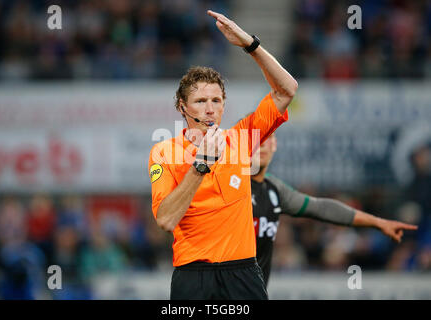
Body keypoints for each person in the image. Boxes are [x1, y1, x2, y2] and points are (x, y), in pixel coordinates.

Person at [148, 10, 298, 300]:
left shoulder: (240, 139)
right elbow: (166, 220)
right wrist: (199, 167)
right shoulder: (164, 152)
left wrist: (249, 45)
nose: (209, 108)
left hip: (243, 272)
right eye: (200, 101)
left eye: (216, 100)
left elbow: (287, 90)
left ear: (224, 105)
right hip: (193, 275)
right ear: (182, 107)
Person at [251, 134, 418, 286]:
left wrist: (377, 222)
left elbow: (321, 208)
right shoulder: (229, 185)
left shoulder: (273, 189)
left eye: (268, 137)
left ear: (275, 144)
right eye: (256, 138)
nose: (263, 144)